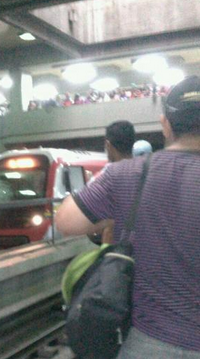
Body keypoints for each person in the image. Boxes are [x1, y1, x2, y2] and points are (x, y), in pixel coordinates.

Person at [55, 76, 200, 359]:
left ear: (166, 125)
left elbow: (65, 221)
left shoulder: (127, 174)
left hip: (149, 341)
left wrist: (113, 206)